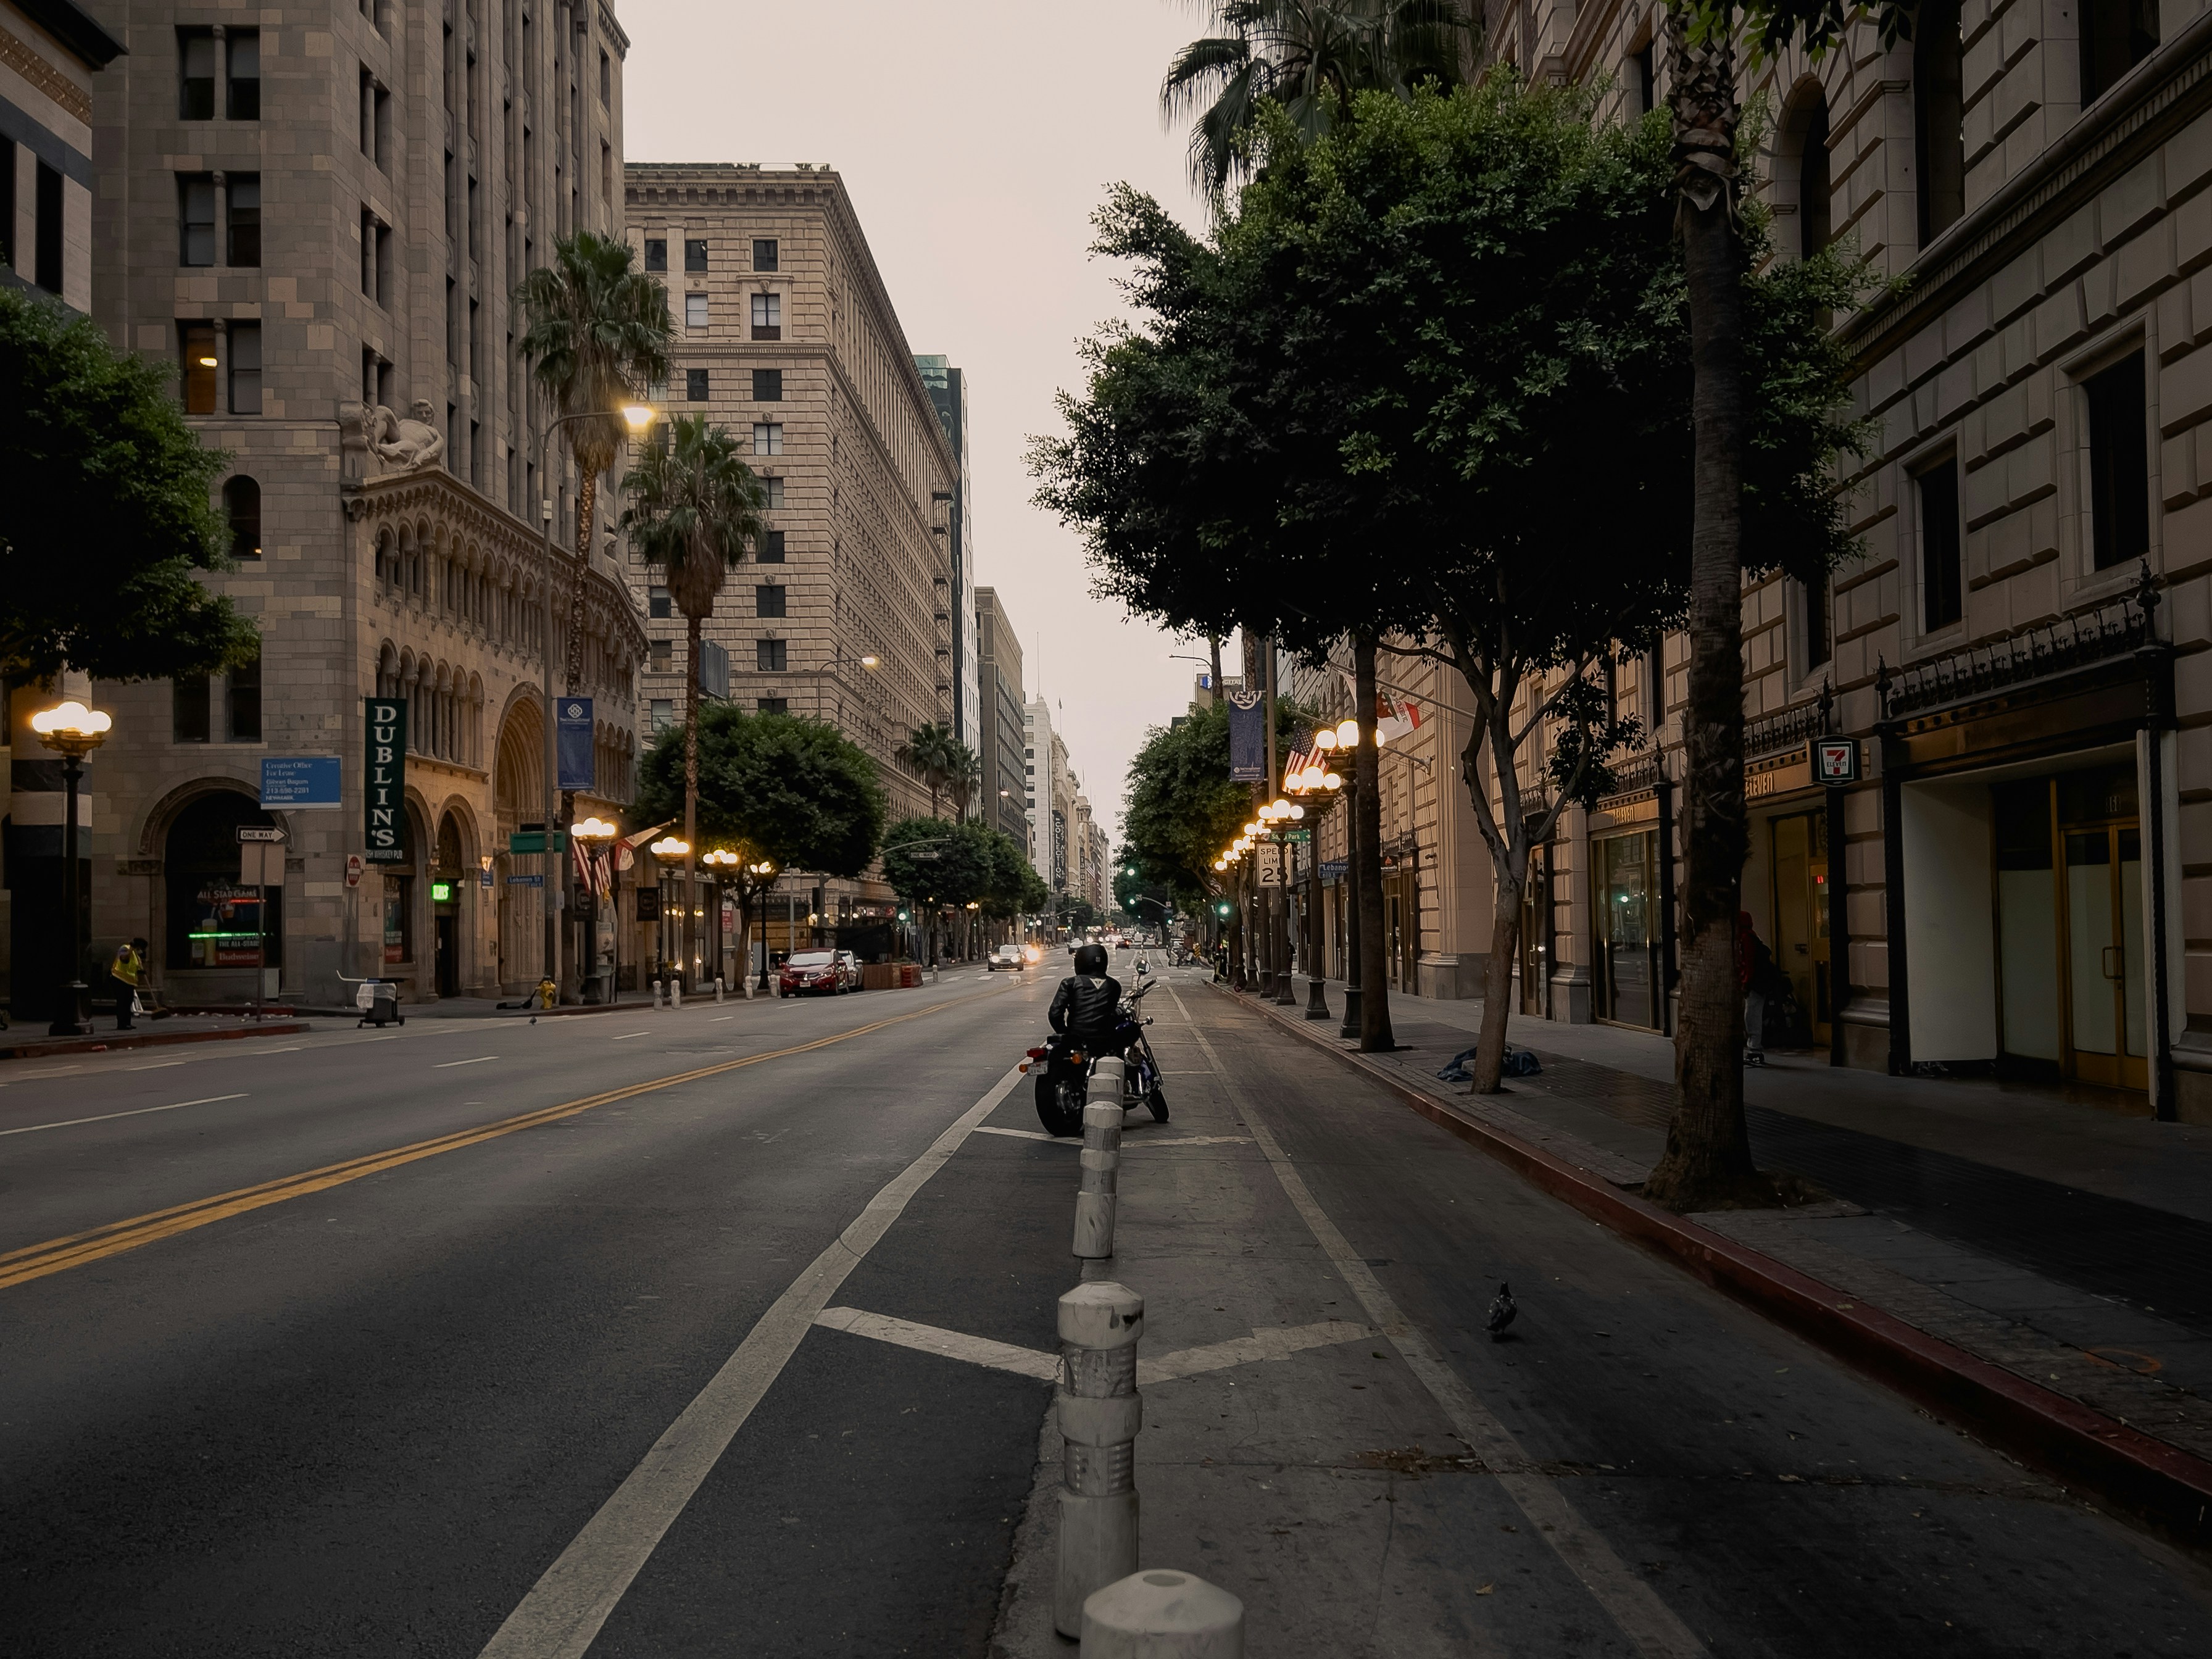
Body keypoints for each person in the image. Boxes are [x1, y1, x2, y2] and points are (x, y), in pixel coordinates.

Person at [1049, 942, 1125, 1055]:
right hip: (1105, 1040)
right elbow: (1112, 1012)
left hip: (1076, 1038)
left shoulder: (1070, 983)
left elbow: (1055, 1013)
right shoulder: (1114, 985)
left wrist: (1065, 1033)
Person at [1738, 910, 1769, 1067]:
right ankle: (1754, 1050)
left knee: (1751, 1016)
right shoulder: (1751, 936)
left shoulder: (1746, 939)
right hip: (1756, 983)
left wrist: (1745, 982)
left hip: (1754, 984)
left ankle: (1755, 1051)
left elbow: (1749, 964)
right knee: (1751, 1015)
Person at [109, 937, 149, 1031]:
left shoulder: (136, 955)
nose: (142, 951)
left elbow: (135, 966)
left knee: (128, 1002)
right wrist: (131, 949)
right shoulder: (125, 948)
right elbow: (124, 958)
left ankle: (127, 1023)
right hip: (119, 978)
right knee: (122, 1002)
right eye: (141, 949)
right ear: (138, 946)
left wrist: (141, 971)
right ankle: (121, 1024)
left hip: (129, 981)